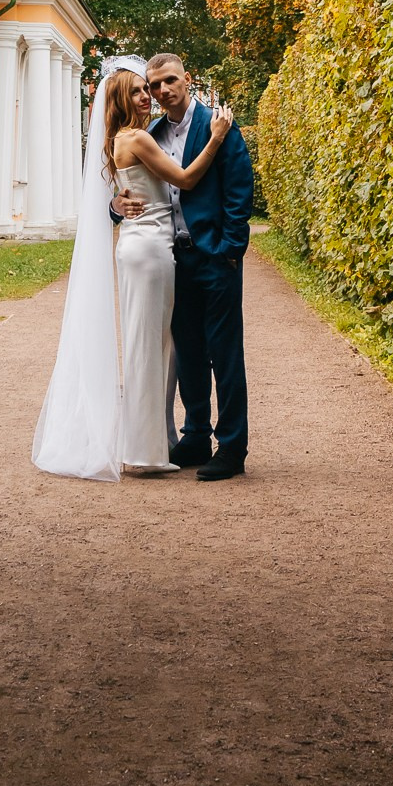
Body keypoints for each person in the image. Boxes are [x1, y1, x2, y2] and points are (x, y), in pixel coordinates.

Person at [31, 56, 232, 482]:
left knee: (159, 346)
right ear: (121, 99)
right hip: (149, 251)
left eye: (147, 89)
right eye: (138, 91)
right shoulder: (138, 137)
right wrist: (215, 138)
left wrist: (117, 203)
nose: (147, 96)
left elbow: (122, 192)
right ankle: (142, 451)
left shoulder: (121, 139)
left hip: (146, 246)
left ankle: (156, 441)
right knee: (147, 348)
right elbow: (185, 180)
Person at [139, 51, 255, 480]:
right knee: (187, 353)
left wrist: (230, 249)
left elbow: (240, 187)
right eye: (155, 85)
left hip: (215, 257)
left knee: (224, 354)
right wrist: (118, 205)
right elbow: (132, 186)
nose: (162, 90)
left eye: (170, 80)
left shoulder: (217, 124)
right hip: (174, 259)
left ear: (186, 78)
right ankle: (195, 436)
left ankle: (232, 448)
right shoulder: (151, 133)